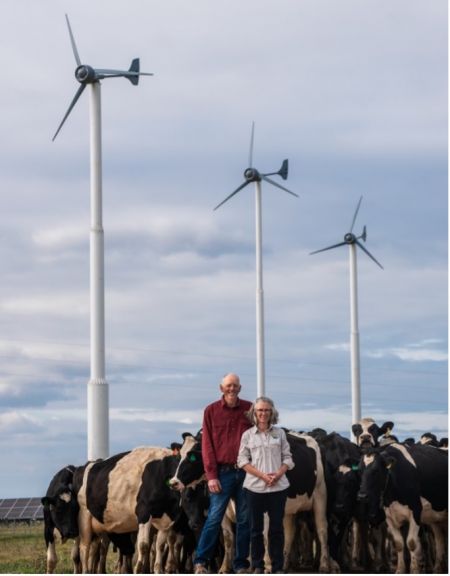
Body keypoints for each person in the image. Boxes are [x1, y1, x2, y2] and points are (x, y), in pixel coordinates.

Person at [194, 373, 252, 574]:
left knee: (245, 519)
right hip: (222, 473)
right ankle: (201, 562)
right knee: (214, 518)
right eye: (228, 385)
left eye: (235, 385)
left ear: (240, 388)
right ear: (221, 388)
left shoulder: (249, 409)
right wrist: (211, 476)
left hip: (245, 472)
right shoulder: (211, 411)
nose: (232, 388)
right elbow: (207, 445)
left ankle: (241, 564)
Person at [237, 396, 294, 574]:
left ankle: (277, 566)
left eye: (266, 410)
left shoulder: (280, 434)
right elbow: (242, 460)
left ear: (272, 412)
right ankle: (258, 565)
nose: (263, 413)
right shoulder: (247, 435)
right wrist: (262, 475)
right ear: (254, 413)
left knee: (277, 528)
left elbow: (288, 458)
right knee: (256, 529)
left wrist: (278, 474)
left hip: (278, 487)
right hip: (254, 487)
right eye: (260, 410)